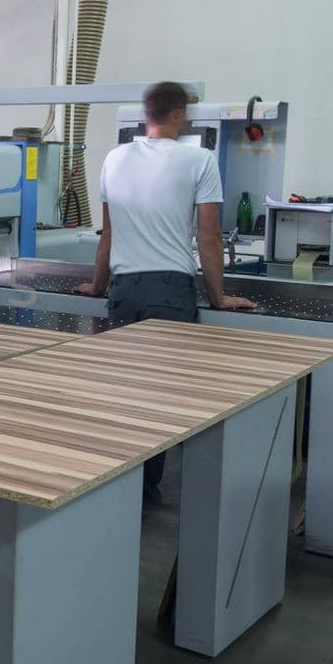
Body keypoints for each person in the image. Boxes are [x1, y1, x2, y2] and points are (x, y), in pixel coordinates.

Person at [76, 80, 257, 504]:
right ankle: (146, 492)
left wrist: (96, 285)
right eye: (187, 113)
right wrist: (218, 297)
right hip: (170, 293)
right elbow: (208, 238)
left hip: (123, 292)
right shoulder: (200, 159)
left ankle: (118, 488)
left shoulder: (115, 157)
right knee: (159, 401)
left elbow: (109, 234)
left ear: (146, 115)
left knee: (124, 394)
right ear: (177, 115)